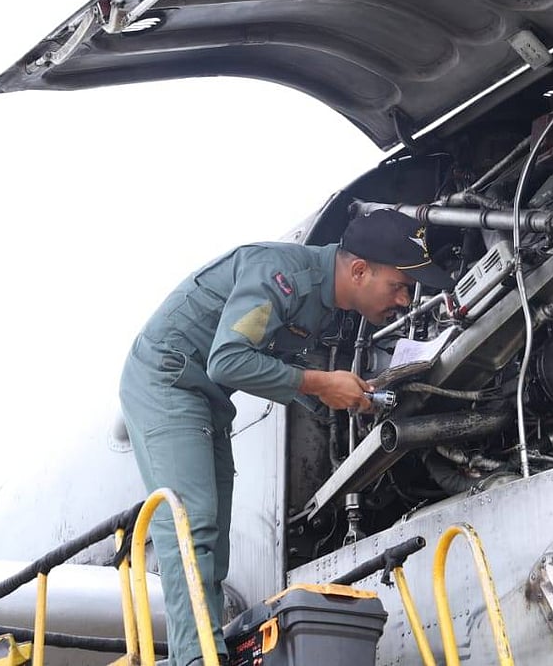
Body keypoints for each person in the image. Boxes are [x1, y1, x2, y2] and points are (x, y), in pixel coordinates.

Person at [118, 209, 454, 666]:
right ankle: (196, 659)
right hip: (169, 382)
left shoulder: (322, 303)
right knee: (190, 526)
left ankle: (203, 653)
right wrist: (321, 383)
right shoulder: (281, 277)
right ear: (358, 270)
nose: (403, 299)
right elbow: (228, 361)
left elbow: (279, 371)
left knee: (213, 543)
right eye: (398, 285)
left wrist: (351, 397)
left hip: (206, 399)